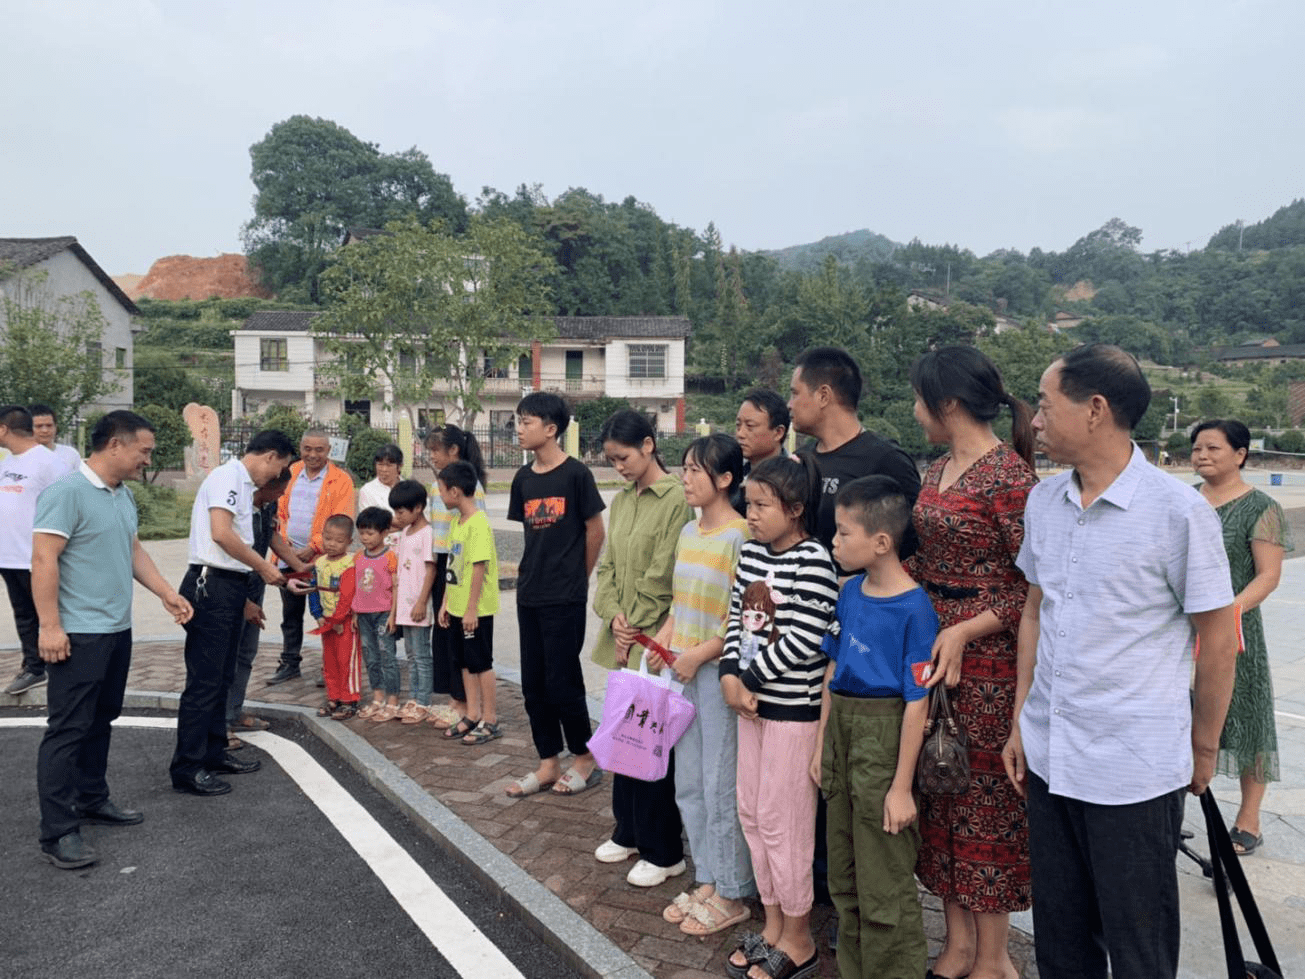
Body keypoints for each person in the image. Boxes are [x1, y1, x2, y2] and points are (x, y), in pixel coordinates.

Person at [1002, 343, 1239, 979]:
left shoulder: (1177, 511)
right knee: (1062, 935)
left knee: (1138, 944)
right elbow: (1033, 612)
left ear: (1096, 410)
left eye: (1047, 406)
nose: (1037, 422)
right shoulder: (1044, 503)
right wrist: (1023, 720)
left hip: (1132, 769)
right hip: (1052, 757)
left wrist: (1205, 747)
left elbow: (1218, 636)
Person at [907, 346, 1037, 979]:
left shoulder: (1012, 478)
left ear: (948, 404)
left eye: (920, 399)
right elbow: (928, 562)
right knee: (940, 791)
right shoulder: (936, 470)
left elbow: (1028, 589)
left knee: (987, 803)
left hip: (989, 667)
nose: (914, 410)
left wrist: (964, 632)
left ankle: (993, 957)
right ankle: (956, 945)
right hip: (936, 654)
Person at [32, 411, 193, 868]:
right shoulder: (66, 493)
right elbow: (44, 560)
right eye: (144, 450)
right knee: (68, 729)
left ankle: (91, 798)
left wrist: (166, 593)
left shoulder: (121, 495)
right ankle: (58, 831)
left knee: (101, 719)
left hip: (116, 630)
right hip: (77, 633)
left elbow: (132, 550)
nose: (148, 459)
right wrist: (49, 626)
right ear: (115, 446)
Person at [720, 455, 839, 979]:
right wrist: (729, 673)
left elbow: (807, 637)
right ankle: (772, 926)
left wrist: (747, 678)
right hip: (750, 707)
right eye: (748, 504)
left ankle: (800, 937)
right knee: (752, 813)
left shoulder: (814, 560)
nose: (752, 514)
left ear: (794, 510)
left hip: (792, 712)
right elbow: (735, 620)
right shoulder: (750, 554)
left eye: (762, 505)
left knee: (784, 822)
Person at [814, 475, 937, 979]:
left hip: (884, 738)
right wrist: (821, 745)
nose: (835, 543)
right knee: (844, 875)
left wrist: (901, 787)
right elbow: (831, 670)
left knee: (884, 880)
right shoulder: (850, 593)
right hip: (842, 732)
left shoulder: (916, 610)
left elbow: (917, 703)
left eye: (844, 533)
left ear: (881, 542)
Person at [650, 434, 755, 935]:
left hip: (715, 673)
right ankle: (707, 879)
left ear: (725, 479)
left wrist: (697, 655)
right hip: (682, 670)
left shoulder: (741, 536)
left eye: (695, 470)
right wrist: (664, 644)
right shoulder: (689, 532)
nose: (685, 478)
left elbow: (742, 619)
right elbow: (680, 604)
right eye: (685, 468)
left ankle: (733, 891)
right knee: (688, 783)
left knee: (719, 786)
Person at [591, 410, 694, 887]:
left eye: (624, 457)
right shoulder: (623, 499)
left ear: (650, 446)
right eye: (612, 460)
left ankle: (664, 849)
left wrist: (632, 623)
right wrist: (613, 614)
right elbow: (608, 566)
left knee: (650, 744)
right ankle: (628, 830)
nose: (620, 467)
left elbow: (664, 571)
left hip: (654, 643)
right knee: (621, 739)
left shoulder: (675, 499)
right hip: (626, 635)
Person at [170, 430, 297, 796]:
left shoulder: (242, 485)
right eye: (280, 468)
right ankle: (187, 767)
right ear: (271, 456)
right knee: (204, 682)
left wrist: (270, 579)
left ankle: (213, 752)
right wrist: (265, 568)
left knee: (222, 677)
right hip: (212, 586)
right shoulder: (228, 477)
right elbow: (222, 535)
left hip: (230, 585)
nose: (274, 478)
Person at [1191, 418, 1294, 855]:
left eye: (1213, 448)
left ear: (1240, 455)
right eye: (1197, 448)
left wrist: (1230, 610)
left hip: (1235, 630)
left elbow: (1267, 576)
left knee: (1248, 718)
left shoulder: (1261, 507)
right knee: (1178, 717)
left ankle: (1248, 819)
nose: (1202, 456)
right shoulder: (1181, 501)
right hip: (1180, 627)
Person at [504, 392, 606, 798]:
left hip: (565, 596)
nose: (520, 428)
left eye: (527, 421)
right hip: (529, 593)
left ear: (551, 429)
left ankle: (585, 758)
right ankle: (548, 761)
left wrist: (577, 580)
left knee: (562, 681)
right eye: (519, 420)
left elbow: (595, 531)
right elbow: (530, 536)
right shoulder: (523, 479)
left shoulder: (577, 475)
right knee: (534, 683)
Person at [788, 346, 921, 568]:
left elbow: (914, 546)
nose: (789, 405)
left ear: (823, 395)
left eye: (794, 393)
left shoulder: (886, 460)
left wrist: (858, 585)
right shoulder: (801, 459)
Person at [267, 430, 356, 686]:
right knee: (290, 615)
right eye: (307, 449)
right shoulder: (291, 472)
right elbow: (278, 511)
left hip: (326, 561)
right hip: (287, 557)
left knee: (329, 613)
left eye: (319, 450)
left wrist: (314, 547)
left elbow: (343, 519)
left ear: (329, 451)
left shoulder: (341, 480)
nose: (313, 455)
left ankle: (331, 666)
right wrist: (283, 546)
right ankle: (289, 663)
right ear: (300, 448)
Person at [226, 467, 298, 747]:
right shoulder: (236, 505)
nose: (282, 495)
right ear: (264, 484)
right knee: (226, 657)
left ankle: (233, 711)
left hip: (254, 586)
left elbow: (271, 536)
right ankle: (219, 725)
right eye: (279, 489)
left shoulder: (268, 505)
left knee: (246, 653)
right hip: (231, 586)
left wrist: (297, 566)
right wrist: (242, 601)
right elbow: (222, 551)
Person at [424, 424, 489, 730]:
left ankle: (465, 705)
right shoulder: (439, 485)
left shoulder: (465, 488)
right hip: (443, 564)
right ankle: (457, 700)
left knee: (463, 642)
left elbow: (478, 546)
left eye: (435, 450)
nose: (432, 456)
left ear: (453, 450)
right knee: (447, 639)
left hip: (459, 568)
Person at [1, 405, 66, 695]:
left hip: (38, 557)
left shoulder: (48, 463)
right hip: (9, 555)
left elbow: (66, 507)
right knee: (24, 614)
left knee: (49, 613)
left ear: (3, 429)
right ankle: (34, 667)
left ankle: (63, 669)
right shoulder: (7, 462)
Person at [436, 460, 501, 744]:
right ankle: (472, 714)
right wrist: (446, 604)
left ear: (455, 491)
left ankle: (490, 719)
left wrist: (472, 608)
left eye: (441, 490)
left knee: (480, 663)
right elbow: (454, 566)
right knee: (463, 661)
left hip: (477, 610)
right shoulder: (456, 523)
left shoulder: (478, 523)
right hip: (457, 607)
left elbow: (478, 567)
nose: (439, 496)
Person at [299, 513, 361, 719]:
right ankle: (333, 697)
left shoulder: (349, 564)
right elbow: (313, 590)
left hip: (344, 624)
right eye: (327, 538)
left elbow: (347, 595)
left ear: (349, 542)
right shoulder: (319, 563)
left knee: (346, 661)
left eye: (338, 540)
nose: (332, 544)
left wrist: (338, 620)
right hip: (327, 621)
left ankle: (349, 699)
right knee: (330, 660)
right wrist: (318, 616)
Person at [388, 479, 438, 723]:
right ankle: (415, 697)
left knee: (421, 655)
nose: (397, 516)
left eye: (400, 511)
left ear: (417, 508)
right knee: (410, 654)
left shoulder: (427, 534)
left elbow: (430, 570)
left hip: (418, 605)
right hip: (404, 605)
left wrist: (421, 602)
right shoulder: (405, 533)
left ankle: (424, 701)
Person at [353, 506, 401, 722]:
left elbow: (395, 587)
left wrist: (393, 615)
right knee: (371, 657)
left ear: (385, 533)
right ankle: (377, 696)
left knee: (387, 656)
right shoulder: (357, 557)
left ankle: (393, 700)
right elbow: (355, 586)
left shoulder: (391, 557)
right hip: (363, 614)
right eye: (362, 533)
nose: (365, 538)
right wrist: (354, 613)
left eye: (370, 533)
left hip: (383, 613)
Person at [731, 389, 790, 516]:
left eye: (750, 426)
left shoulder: (794, 479)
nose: (740, 434)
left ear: (778, 432)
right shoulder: (732, 474)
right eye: (738, 425)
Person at [356, 443, 404, 542]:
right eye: (380, 464)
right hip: (381, 546)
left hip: (409, 545)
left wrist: (388, 523)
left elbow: (419, 521)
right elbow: (370, 527)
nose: (384, 470)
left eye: (389, 465)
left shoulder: (409, 488)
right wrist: (403, 525)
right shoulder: (367, 490)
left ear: (399, 466)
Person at [28, 404, 81, 473]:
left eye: (49, 425)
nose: (45, 430)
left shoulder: (70, 454)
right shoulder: (19, 456)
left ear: (56, 427)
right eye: (39, 426)